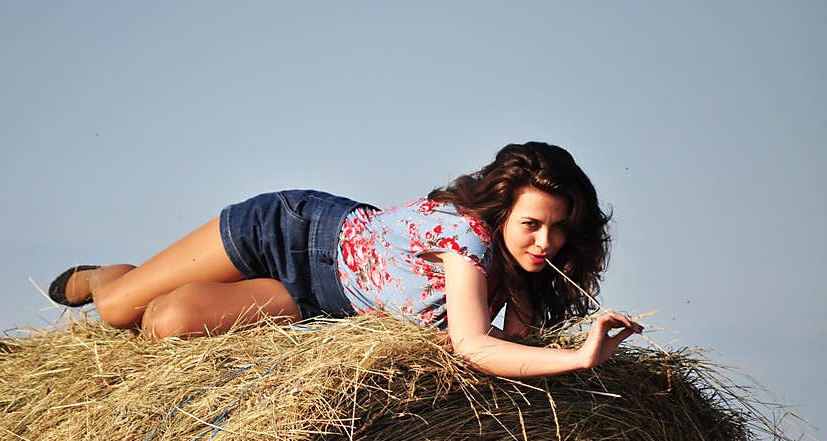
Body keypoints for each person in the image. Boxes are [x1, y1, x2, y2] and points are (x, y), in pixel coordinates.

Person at [48, 141, 643, 379]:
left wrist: (549, 336)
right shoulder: (467, 238)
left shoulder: (522, 276)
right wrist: (581, 359)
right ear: (501, 212)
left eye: (559, 229)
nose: (545, 242)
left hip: (319, 304)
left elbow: (508, 354)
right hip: (293, 234)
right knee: (119, 310)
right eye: (532, 225)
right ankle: (106, 275)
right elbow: (473, 346)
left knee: (166, 323)